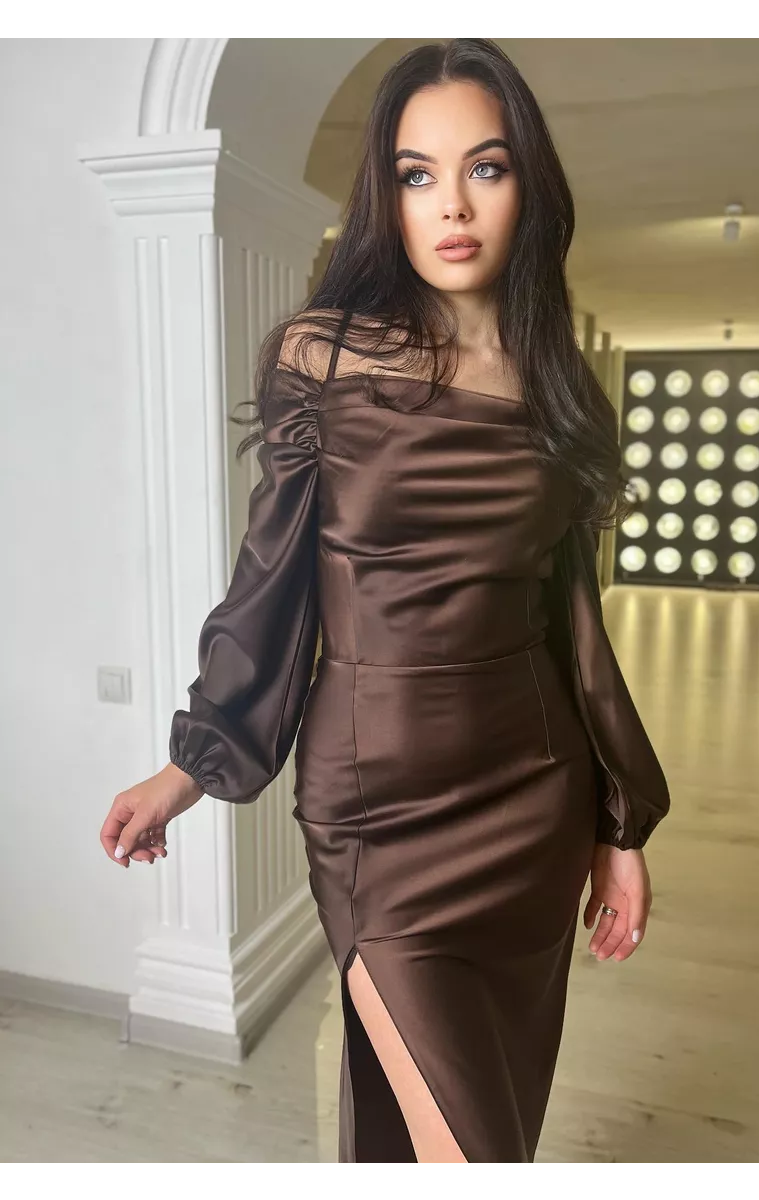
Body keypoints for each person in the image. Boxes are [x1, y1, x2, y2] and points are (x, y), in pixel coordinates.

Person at [99, 37, 670, 1167]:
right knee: (471, 1152)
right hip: (379, 808)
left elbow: (577, 628)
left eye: (485, 167)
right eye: (418, 174)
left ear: (529, 186)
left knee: (490, 1122)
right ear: (387, 195)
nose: (451, 204)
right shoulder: (321, 359)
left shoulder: (559, 384)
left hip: (533, 798)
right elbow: (271, 585)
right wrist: (191, 764)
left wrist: (618, 824)